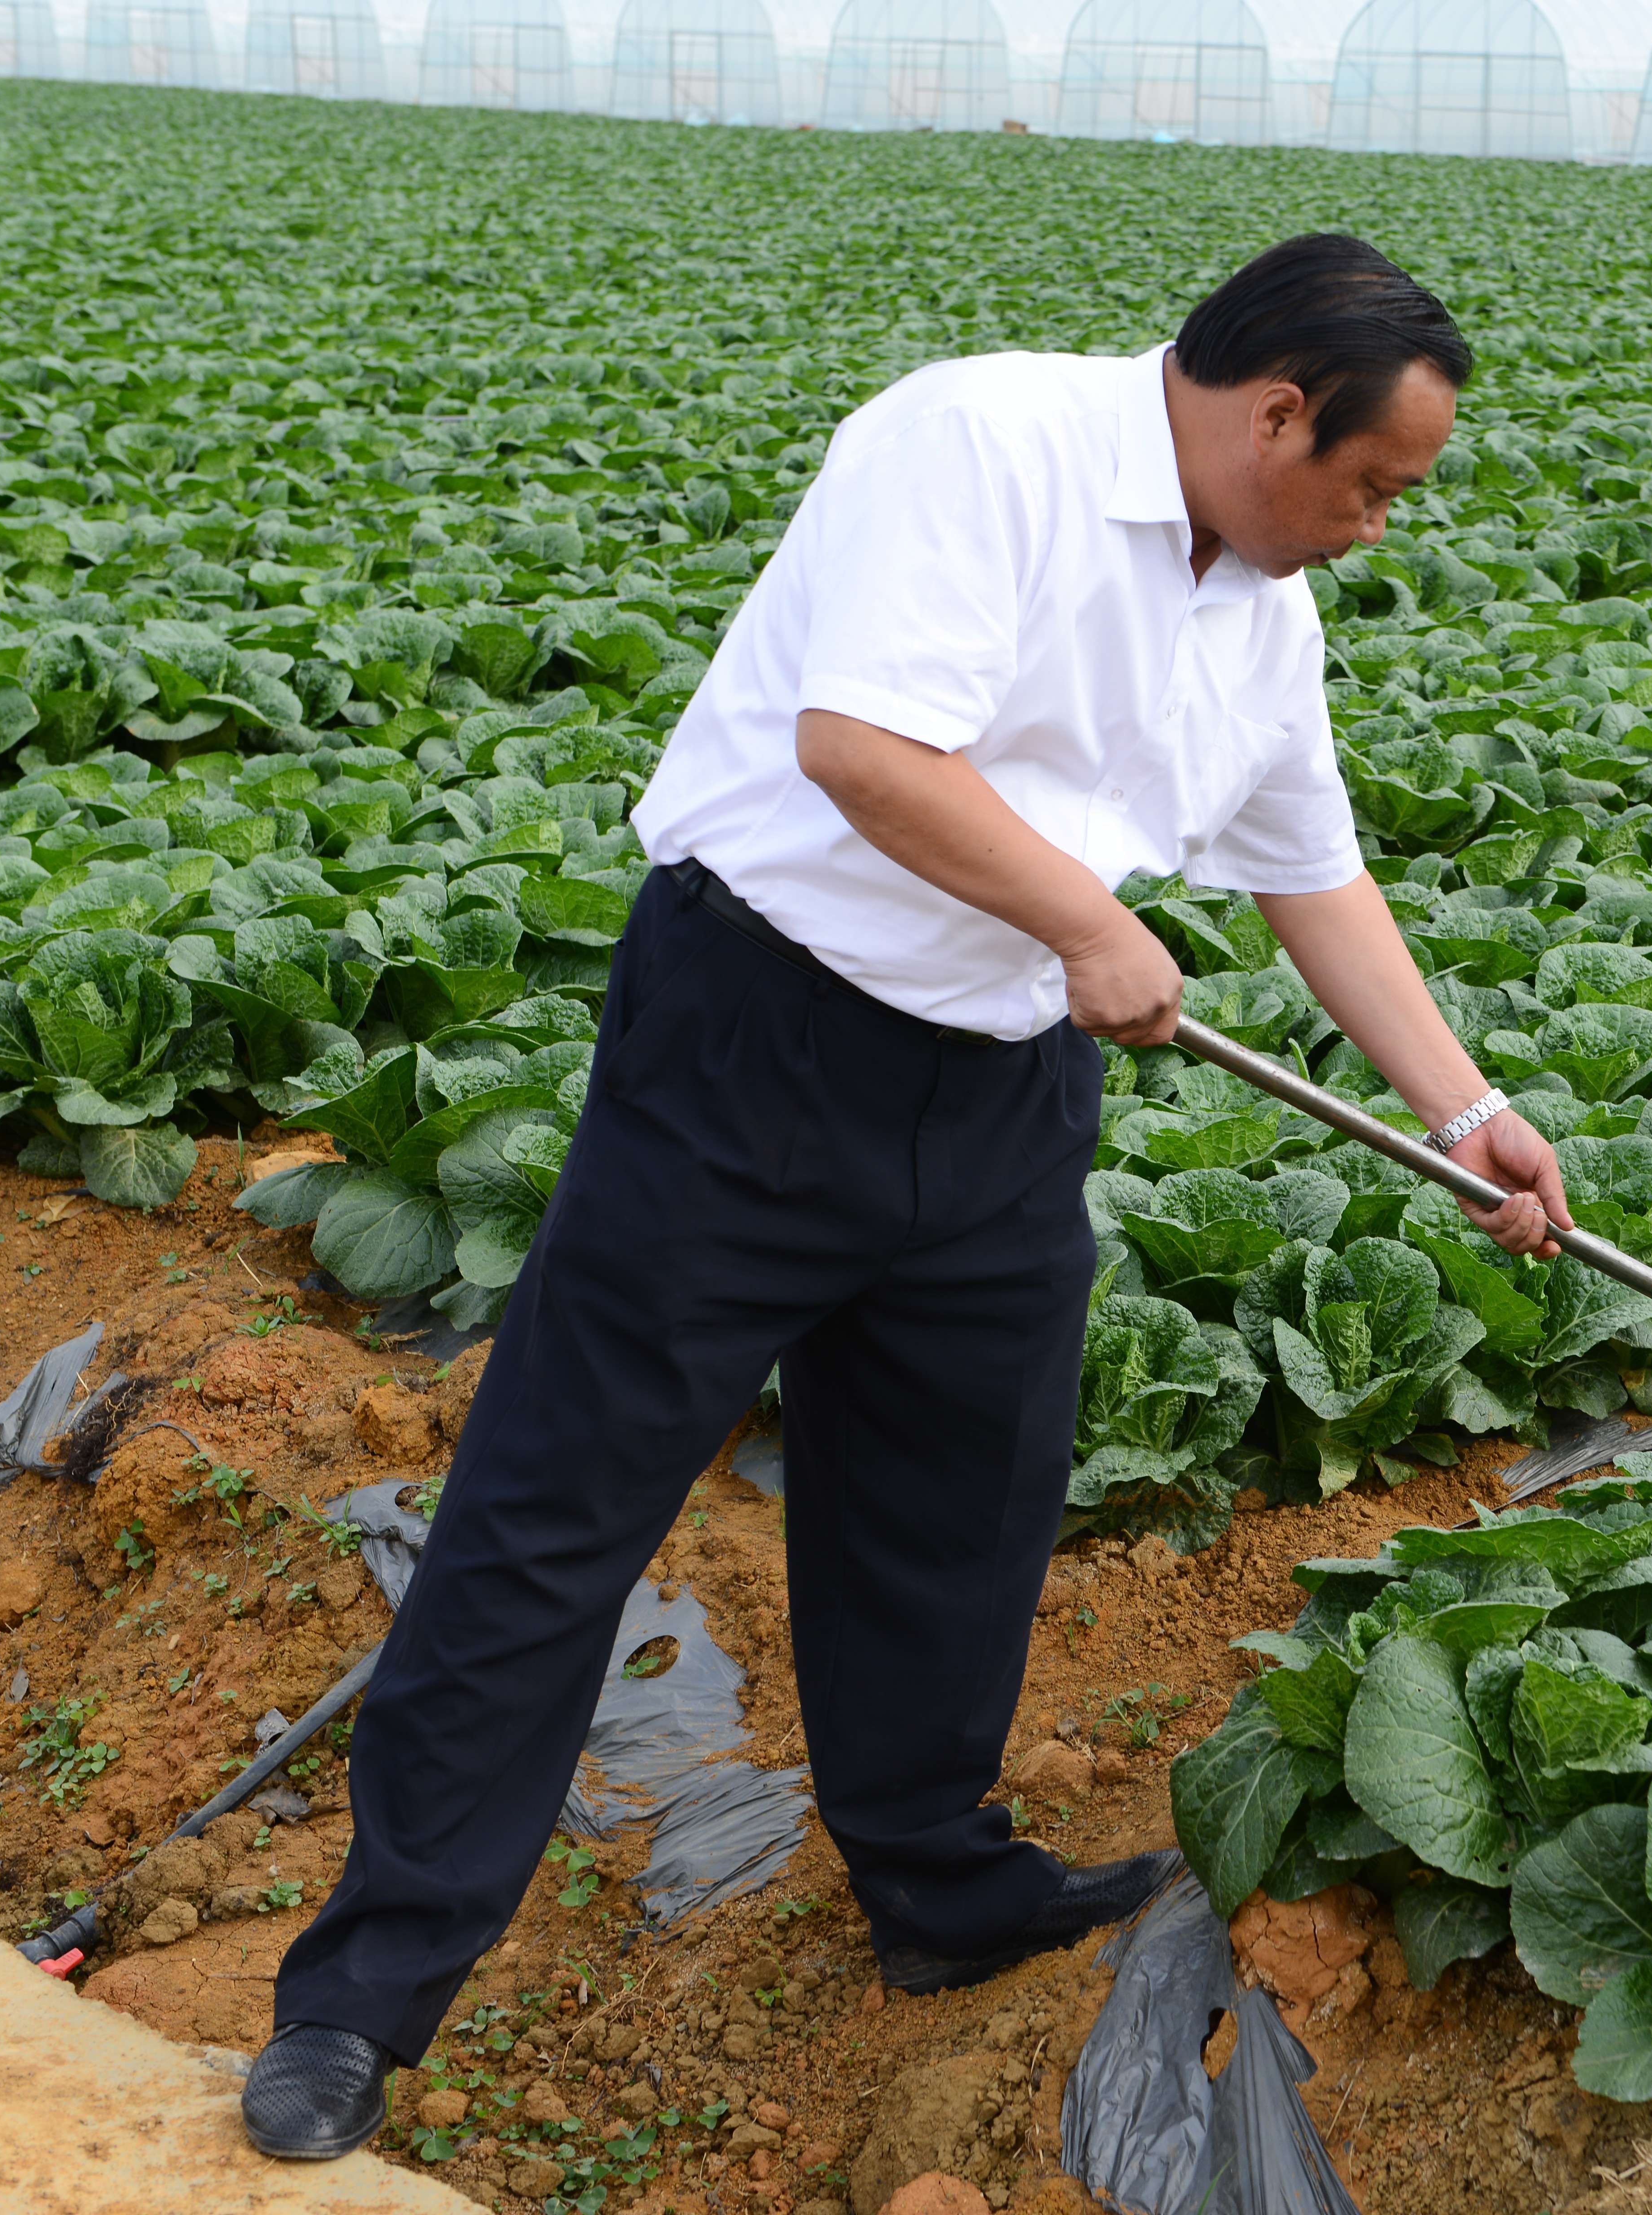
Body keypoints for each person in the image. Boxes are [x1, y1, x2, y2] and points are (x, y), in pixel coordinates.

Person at [238, 233, 1574, 2160]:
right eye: (1370, 483)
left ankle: (936, 1883)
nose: (1374, 526)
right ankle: (361, 1997)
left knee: (958, 1499)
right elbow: (862, 744)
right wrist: (1084, 912)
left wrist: (1466, 1111)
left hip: (1004, 1086)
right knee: (557, 1506)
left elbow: (1316, 876)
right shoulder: (984, 443)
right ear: (1278, 408)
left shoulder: (1258, 616)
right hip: (756, 1042)